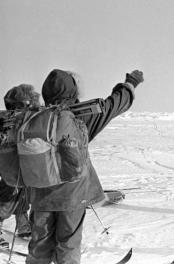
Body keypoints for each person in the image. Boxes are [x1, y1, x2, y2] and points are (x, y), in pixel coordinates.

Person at [26, 69, 143, 264]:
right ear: (72, 92)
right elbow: (116, 104)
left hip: (40, 195)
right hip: (73, 196)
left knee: (39, 245)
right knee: (68, 244)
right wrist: (130, 83)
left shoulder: (31, 119)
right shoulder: (82, 116)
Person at [0, 84, 40, 248]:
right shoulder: (6, 121)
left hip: (24, 163)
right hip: (10, 164)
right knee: (8, 195)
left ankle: (23, 225)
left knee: (23, 191)